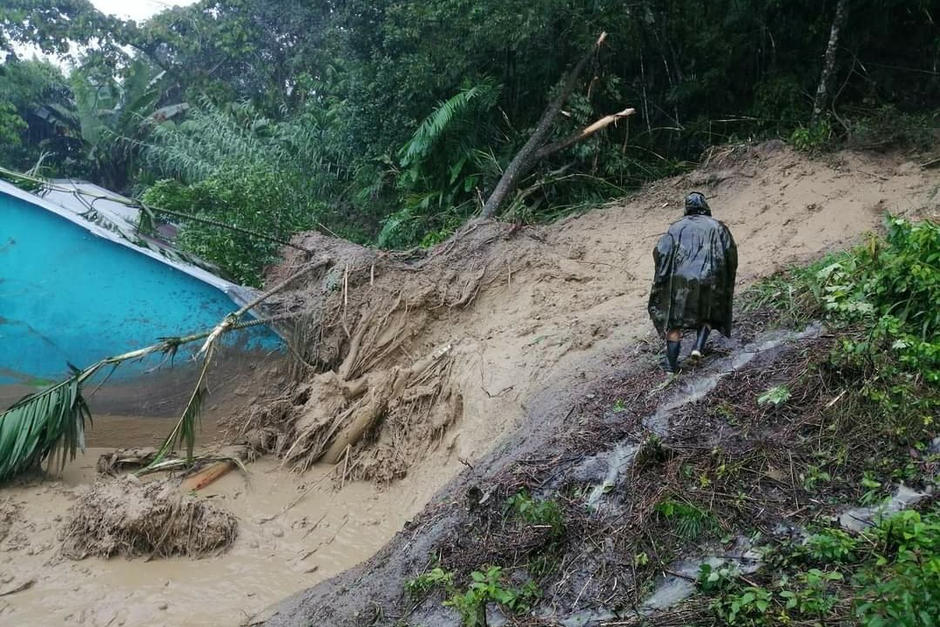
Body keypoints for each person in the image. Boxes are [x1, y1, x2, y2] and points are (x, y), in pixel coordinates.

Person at [648, 192, 738, 373]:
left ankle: (671, 366)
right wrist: (725, 275)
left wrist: (664, 275)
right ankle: (697, 346)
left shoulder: (675, 228)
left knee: (674, 321)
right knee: (707, 313)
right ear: (705, 206)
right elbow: (730, 252)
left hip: (680, 280)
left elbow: (661, 251)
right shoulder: (718, 227)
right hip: (709, 277)